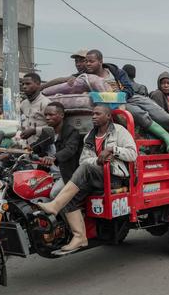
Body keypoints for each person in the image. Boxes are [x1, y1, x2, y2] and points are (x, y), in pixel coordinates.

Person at [37, 104, 137, 254]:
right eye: (93, 114)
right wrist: (97, 161)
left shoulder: (119, 131)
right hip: (95, 175)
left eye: (98, 114)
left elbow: (132, 154)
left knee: (84, 170)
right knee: (70, 197)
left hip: (114, 177)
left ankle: (55, 205)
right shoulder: (90, 134)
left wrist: (112, 150)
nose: (94, 116)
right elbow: (84, 159)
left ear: (108, 116)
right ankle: (80, 237)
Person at [84, 49, 169, 152]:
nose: (88, 64)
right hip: (113, 105)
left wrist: (121, 95)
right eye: (86, 61)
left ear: (100, 62)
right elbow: (72, 83)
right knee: (138, 114)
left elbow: (128, 88)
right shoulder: (85, 78)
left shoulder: (114, 71)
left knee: (158, 112)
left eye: (91, 61)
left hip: (128, 97)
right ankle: (167, 137)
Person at [31, 102, 82, 198]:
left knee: (53, 194)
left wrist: (54, 158)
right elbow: (36, 147)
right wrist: (24, 149)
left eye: (51, 115)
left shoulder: (71, 131)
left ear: (62, 115)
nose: (47, 118)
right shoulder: (47, 132)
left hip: (66, 175)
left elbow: (70, 149)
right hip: (47, 174)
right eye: (45, 115)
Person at [19, 72, 52, 145]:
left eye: (28, 84)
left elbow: (53, 129)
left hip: (42, 148)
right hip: (25, 148)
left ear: (38, 84)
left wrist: (35, 131)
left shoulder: (46, 103)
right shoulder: (23, 104)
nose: (24, 86)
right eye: (23, 84)